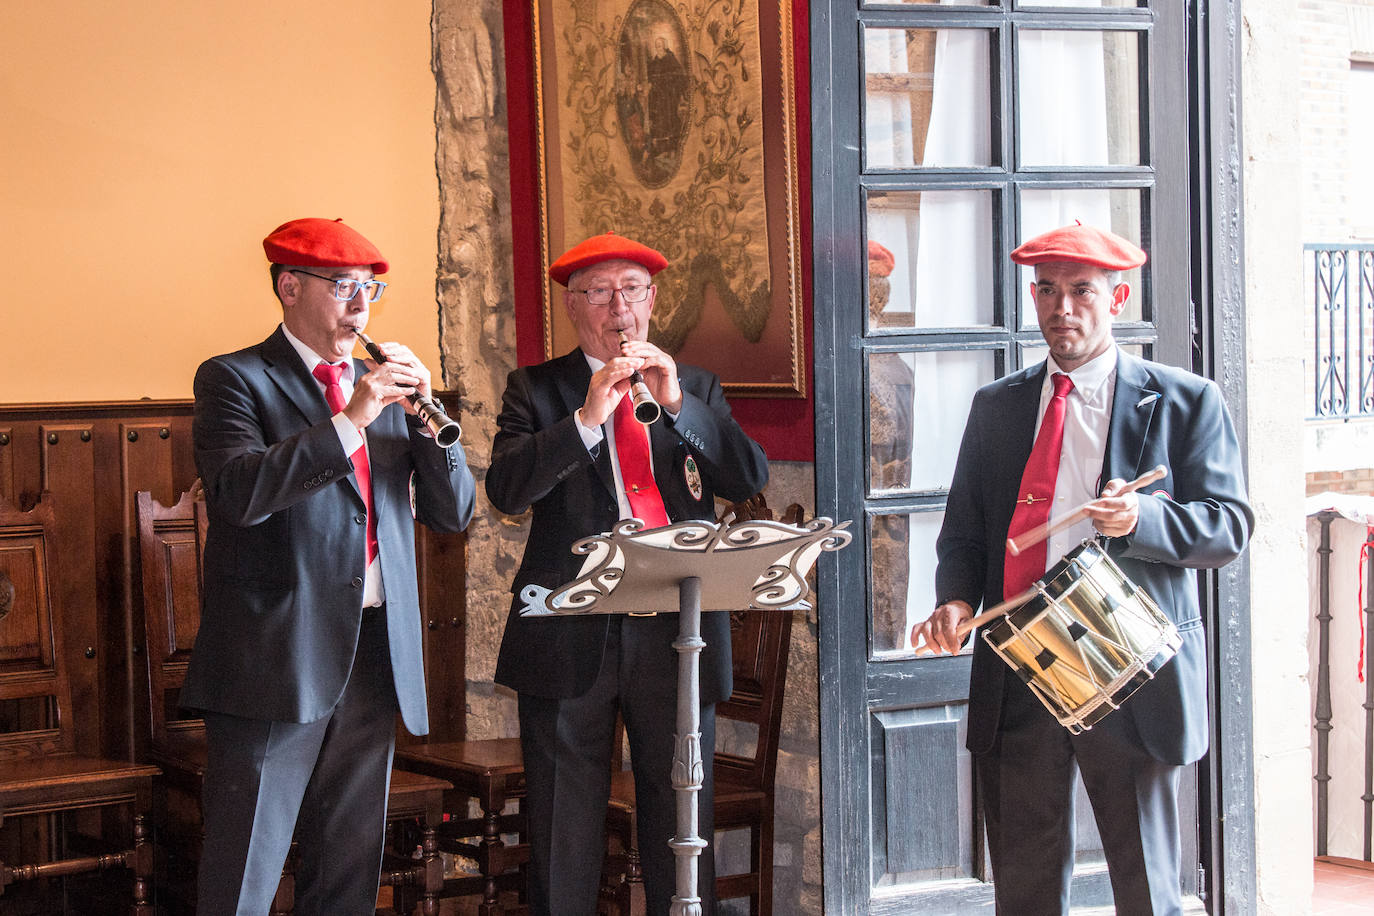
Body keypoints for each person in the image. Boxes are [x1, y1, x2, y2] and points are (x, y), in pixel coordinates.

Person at [910, 222, 1253, 915]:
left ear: (1117, 298)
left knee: (1146, 885)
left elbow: (1229, 526)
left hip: (1126, 664)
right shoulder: (997, 406)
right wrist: (955, 599)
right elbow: (966, 531)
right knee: (1025, 886)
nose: (1061, 308)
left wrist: (1143, 518)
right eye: (1046, 291)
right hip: (1020, 664)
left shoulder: (1185, 401)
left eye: (1081, 291)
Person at [182, 217, 476, 915]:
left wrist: (430, 420)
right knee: (245, 872)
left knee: (347, 872)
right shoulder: (234, 378)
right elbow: (239, 495)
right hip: (275, 656)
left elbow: (452, 514)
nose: (361, 304)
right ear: (290, 288)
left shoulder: (385, 386)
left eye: (371, 288)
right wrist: (351, 421)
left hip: (372, 651)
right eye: (343, 286)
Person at [487, 231, 769, 915]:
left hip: (678, 633)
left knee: (681, 824)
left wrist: (678, 406)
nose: (620, 309)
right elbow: (507, 492)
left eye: (633, 291)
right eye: (601, 293)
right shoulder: (537, 388)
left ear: (652, 300)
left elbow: (746, 478)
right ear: (573, 305)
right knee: (563, 830)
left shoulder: (694, 385)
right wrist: (586, 419)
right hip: (570, 629)